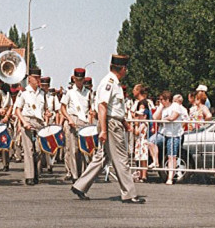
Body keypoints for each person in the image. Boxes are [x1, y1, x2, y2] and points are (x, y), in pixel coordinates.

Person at [71, 54, 145, 204]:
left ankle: (80, 185)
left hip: (113, 122)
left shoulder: (114, 83)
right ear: (122, 68)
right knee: (121, 158)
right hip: (110, 124)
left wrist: (125, 124)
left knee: (102, 157)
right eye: (126, 68)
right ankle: (129, 193)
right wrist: (104, 130)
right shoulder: (109, 82)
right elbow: (102, 107)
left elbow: (115, 108)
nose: (126, 71)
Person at [14, 67, 48, 185]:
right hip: (27, 121)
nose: (37, 80)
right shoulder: (23, 93)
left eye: (39, 77)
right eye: (35, 78)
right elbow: (17, 110)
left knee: (39, 150)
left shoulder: (42, 93)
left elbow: (46, 109)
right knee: (29, 150)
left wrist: (48, 114)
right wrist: (24, 122)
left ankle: (36, 173)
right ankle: (29, 176)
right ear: (29, 79)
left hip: (39, 123)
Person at [60, 67, 92, 181]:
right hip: (72, 120)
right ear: (74, 79)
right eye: (77, 79)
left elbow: (91, 108)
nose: (79, 82)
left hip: (83, 121)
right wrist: (69, 119)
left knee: (83, 150)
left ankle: (82, 173)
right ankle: (74, 175)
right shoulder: (69, 92)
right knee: (72, 150)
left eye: (81, 79)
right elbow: (62, 108)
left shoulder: (88, 93)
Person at [160, 91, 188, 184]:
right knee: (150, 142)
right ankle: (155, 162)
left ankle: (170, 177)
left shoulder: (175, 106)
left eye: (161, 100)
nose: (160, 101)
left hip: (174, 134)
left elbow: (173, 117)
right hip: (164, 133)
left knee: (172, 156)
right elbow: (156, 118)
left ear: (167, 100)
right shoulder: (163, 108)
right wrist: (160, 107)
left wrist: (165, 119)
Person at [132, 102, 150, 182]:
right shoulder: (142, 123)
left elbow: (137, 132)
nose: (138, 117)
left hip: (143, 142)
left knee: (143, 159)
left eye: (140, 116)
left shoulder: (143, 124)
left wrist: (135, 125)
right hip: (140, 142)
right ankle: (141, 174)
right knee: (140, 158)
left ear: (144, 116)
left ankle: (143, 175)